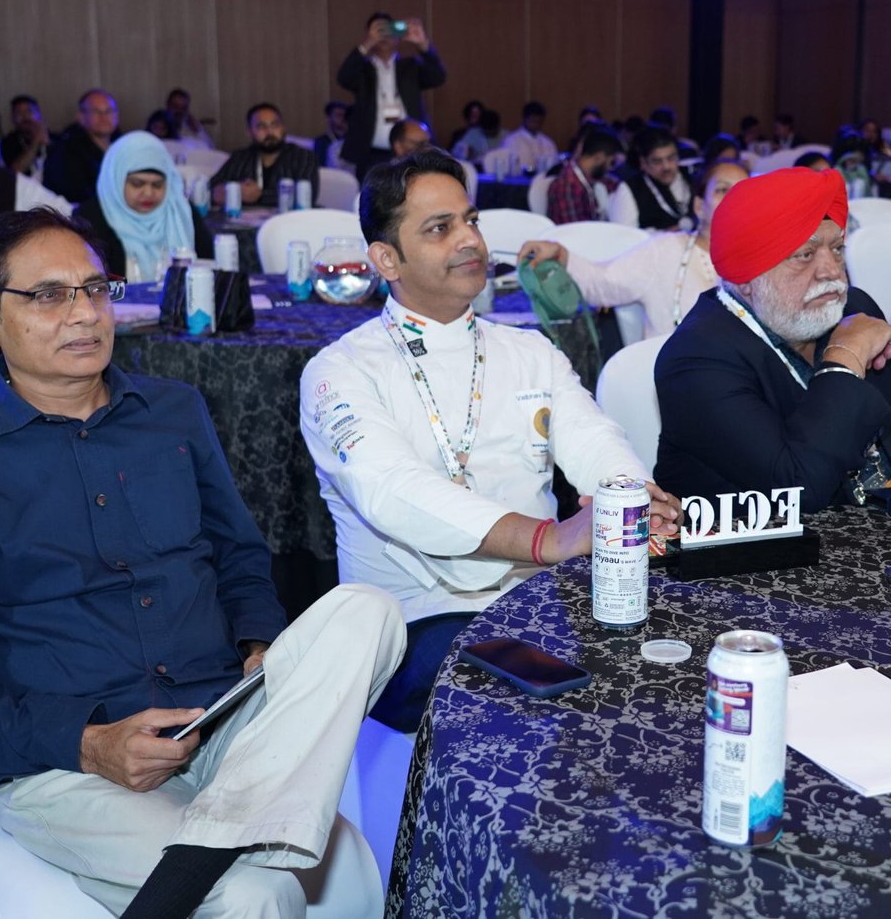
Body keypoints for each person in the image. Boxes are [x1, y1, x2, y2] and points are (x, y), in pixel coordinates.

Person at [0, 207, 405, 917]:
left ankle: (202, 851)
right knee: (255, 894)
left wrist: (258, 644)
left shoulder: (174, 410)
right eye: (49, 295)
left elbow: (239, 554)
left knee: (368, 612)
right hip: (71, 766)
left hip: (224, 723)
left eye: (96, 289)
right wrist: (88, 743)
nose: (85, 313)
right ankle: (214, 860)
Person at [299, 148, 680, 731]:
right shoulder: (339, 371)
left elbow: (595, 440)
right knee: (545, 698)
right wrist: (550, 539)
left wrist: (629, 502)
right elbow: (393, 490)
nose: (469, 240)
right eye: (439, 228)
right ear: (386, 259)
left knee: (668, 660)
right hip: (415, 621)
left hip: (544, 598)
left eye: (471, 220)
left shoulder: (529, 350)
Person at [653, 166, 891, 510]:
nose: (831, 271)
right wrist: (844, 360)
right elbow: (797, 489)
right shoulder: (695, 360)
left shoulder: (854, 309)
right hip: (784, 542)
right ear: (745, 278)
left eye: (837, 249)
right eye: (805, 254)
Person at [521, 159, 749, 337]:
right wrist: (560, 255)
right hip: (677, 375)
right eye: (722, 190)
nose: (735, 199)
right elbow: (603, 284)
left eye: (744, 192)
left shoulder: (763, 263)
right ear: (699, 206)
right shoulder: (665, 252)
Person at [75, 132, 213, 281]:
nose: (148, 193)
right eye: (137, 184)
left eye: (157, 185)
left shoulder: (182, 213)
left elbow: (209, 266)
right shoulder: (89, 220)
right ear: (116, 180)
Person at [336, 12, 446, 175]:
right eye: (379, 30)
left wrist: (422, 43)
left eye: (389, 30)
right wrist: (367, 44)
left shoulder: (410, 66)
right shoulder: (362, 70)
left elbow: (438, 77)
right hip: (370, 152)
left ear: (397, 36)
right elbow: (343, 78)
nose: (384, 36)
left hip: (411, 150)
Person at [208, 103, 321, 210]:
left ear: (283, 128)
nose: (269, 132)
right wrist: (220, 193)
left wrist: (257, 195)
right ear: (249, 132)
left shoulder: (303, 157)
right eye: (261, 127)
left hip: (288, 221)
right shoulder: (240, 157)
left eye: (275, 125)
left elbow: (306, 196)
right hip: (244, 222)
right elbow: (209, 188)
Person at [45, 89, 121, 205]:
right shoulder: (66, 151)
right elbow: (78, 197)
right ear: (81, 117)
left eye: (109, 111)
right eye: (96, 112)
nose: (104, 117)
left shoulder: (124, 145)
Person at [609, 125, 694, 230]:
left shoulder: (692, 178)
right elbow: (624, 235)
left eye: (671, 158)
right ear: (643, 163)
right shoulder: (631, 188)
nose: (666, 167)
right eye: (657, 161)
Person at [544, 125, 623, 225]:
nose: (609, 168)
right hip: (574, 233)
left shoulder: (588, 175)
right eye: (611, 162)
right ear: (598, 157)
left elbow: (616, 185)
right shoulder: (567, 185)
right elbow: (576, 230)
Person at [0, 95, 52, 179]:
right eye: (19, 113)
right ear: (13, 118)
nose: (25, 116)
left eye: (29, 111)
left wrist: (49, 144)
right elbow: (15, 172)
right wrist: (36, 140)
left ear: (39, 115)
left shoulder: (54, 138)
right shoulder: (8, 143)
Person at [501, 102, 558, 171]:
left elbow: (554, 166)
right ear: (524, 119)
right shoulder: (511, 140)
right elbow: (507, 167)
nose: (536, 125)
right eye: (533, 121)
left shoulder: (548, 143)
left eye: (539, 122)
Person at [314, 100, 349, 168]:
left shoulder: (353, 141)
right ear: (329, 119)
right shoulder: (321, 142)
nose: (343, 119)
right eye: (339, 115)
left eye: (345, 116)